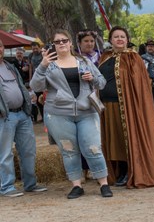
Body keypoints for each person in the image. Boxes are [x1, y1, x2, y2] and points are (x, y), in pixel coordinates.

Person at [30, 30, 112, 199]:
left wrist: (92, 79)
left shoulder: (83, 61)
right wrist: (43, 65)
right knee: (69, 150)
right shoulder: (48, 65)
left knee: (93, 147)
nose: (61, 43)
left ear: (70, 43)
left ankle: (104, 183)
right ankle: (76, 185)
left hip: (86, 111)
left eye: (64, 40)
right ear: (53, 45)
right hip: (59, 113)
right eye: (57, 41)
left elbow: (102, 82)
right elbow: (36, 86)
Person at [97, 26, 154, 188]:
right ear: (110, 40)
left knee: (126, 139)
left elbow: (140, 85)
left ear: (127, 40)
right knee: (113, 141)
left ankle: (131, 170)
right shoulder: (105, 57)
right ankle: (119, 171)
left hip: (127, 106)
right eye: (116, 37)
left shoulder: (133, 58)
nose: (120, 39)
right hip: (107, 107)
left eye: (123, 36)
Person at [1, 39, 46, 197]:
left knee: (28, 151)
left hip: (23, 114)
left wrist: (28, 98)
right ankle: (6, 187)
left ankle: (30, 184)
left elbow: (20, 85)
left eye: (0, 46)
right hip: (4, 117)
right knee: (5, 153)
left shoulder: (10, 66)